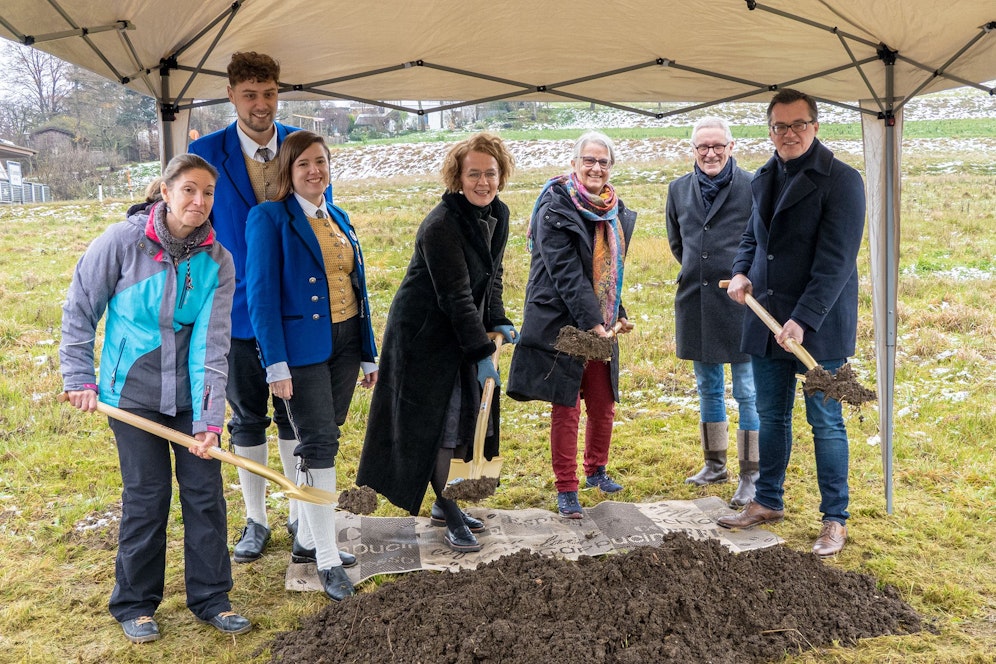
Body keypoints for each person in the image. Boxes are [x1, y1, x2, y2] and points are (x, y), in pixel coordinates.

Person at [60, 154, 251, 643]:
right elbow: (81, 308)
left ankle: (211, 597)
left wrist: (209, 419)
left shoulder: (218, 262)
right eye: (189, 189)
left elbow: (213, 344)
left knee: (205, 495)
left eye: (208, 192)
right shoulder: (122, 243)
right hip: (131, 396)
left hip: (190, 397)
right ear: (165, 192)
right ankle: (135, 603)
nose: (199, 201)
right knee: (147, 497)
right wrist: (79, 376)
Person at [716, 88, 866, 558]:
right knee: (770, 414)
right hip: (766, 321)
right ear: (770, 131)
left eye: (799, 124)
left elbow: (837, 261)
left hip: (817, 327)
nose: (789, 134)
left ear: (815, 126)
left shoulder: (842, 180)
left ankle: (834, 518)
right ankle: (768, 501)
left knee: (825, 419)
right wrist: (741, 270)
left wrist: (803, 319)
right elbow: (751, 238)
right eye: (780, 126)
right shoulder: (762, 178)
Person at [356, 133, 518, 553]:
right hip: (423, 337)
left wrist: (497, 319)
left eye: (490, 173)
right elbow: (455, 296)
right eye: (473, 174)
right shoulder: (441, 225)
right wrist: (482, 352)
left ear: (501, 175)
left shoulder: (498, 214)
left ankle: (447, 504)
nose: (483, 182)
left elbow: (491, 278)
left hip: (463, 330)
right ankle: (448, 507)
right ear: (457, 177)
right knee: (440, 424)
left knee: (465, 419)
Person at [244, 130, 377, 601]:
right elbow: (260, 297)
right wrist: (275, 363)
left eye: (321, 161)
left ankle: (304, 536)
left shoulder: (337, 215)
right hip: (299, 352)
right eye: (303, 164)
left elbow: (358, 288)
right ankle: (324, 557)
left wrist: (367, 351)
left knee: (320, 438)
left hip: (343, 344)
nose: (314, 170)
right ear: (287, 170)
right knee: (319, 444)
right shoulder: (268, 218)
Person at [189, 51, 306, 563]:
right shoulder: (205, 150)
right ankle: (256, 519)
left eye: (270, 94)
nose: (262, 105)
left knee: (296, 417)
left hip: (295, 310)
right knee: (247, 417)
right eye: (250, 95)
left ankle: (301, 512)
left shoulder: (301, 147)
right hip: (234, 308)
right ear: (232, 96)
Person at [506, 131, 637, 519]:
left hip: (597, 320)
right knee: (567, 405)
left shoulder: (612, 208)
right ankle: (567, 488)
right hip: (561, 322)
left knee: (603, 401)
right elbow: (566, 272)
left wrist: (618, 312)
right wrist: (595, 322)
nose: (596, 168)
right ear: (575, 164)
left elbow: (608, 273)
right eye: (589, 160)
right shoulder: (554, 206)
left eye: (603, 162)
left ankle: (596, 469)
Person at [665, 117, 759, 507]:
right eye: (703, 147)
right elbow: (677, 242)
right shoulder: (678, 189)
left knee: (748, 391)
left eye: (718, 146)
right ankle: (715, 463)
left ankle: (753, 473)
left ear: (731, 146)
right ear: (693, 150)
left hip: (740, 303)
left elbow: (761, 239)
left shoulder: (753, 186)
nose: (710, 153)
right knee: (707, 387)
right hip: (696, 303)